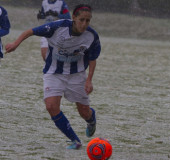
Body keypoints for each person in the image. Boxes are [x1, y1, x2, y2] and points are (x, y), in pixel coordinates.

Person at [5, 4, 100, 150]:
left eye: (88, 21)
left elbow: (93, 59)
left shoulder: (91, 36)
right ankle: (75, 140)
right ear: (73, 18)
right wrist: (15, 44)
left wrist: (89, 80)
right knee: (51, 106)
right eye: (81, 20)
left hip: (76, 75)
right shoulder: (57, 27)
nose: (84, 24)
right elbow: (30, 31)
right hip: (54, 72)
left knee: (84, 112)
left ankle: (91, 121)